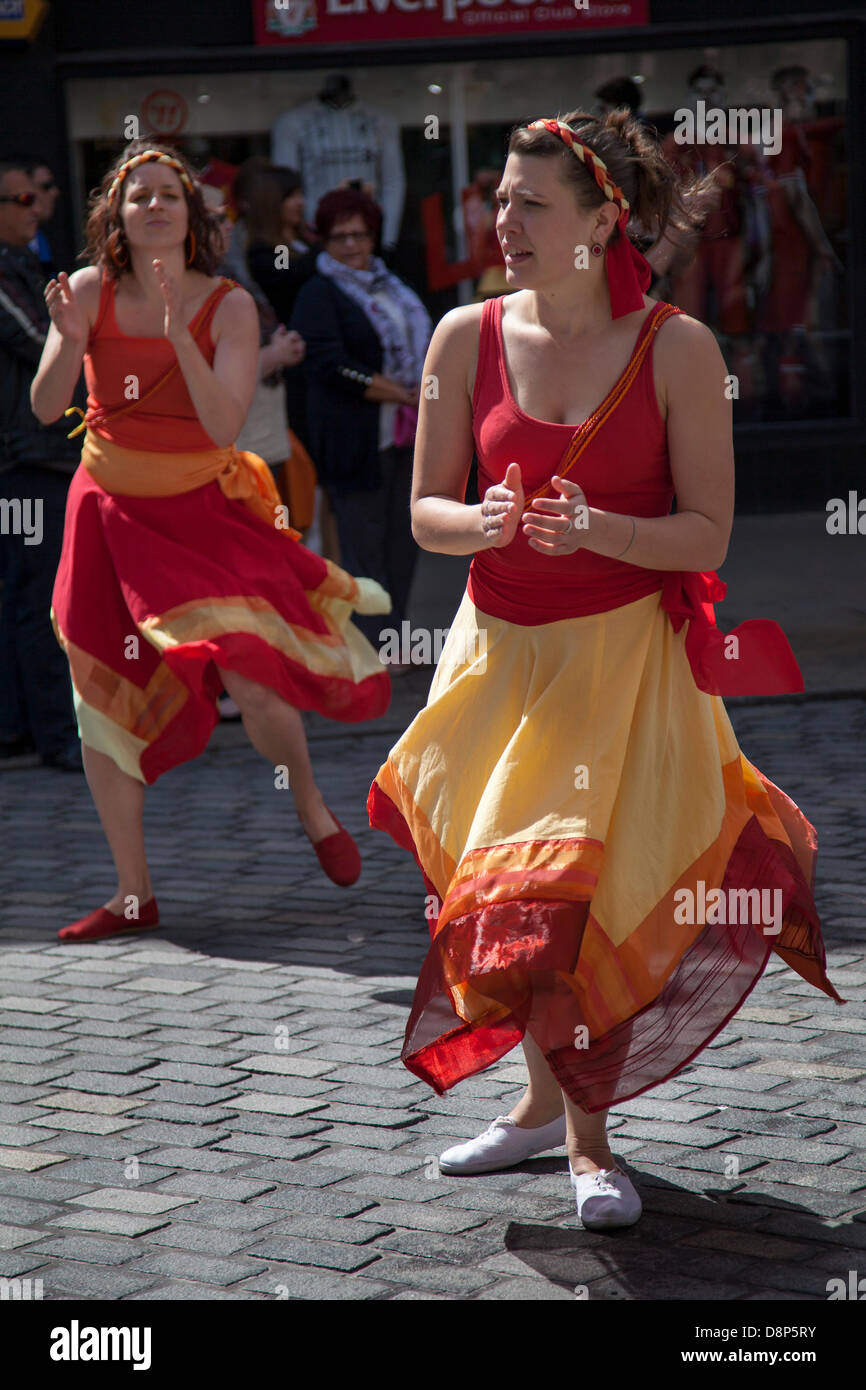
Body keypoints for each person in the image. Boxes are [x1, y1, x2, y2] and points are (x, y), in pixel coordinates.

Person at [366, 109, 843, 1231]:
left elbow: (707, 534)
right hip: (496, 662)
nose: (501, 221)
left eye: (530, 203)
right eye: (497, 199)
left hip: (624, 669)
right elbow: (424, 513)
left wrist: (602, 535)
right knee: (511, 903)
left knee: (574, 902)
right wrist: (473, 524)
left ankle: (587, 1145)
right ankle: (542, 1109)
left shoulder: (676, 346)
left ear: (600, 221)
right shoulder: (459, 336)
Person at [30, 140, 393, 943]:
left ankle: (305, 800)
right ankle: (134, 893)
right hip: (108, 515)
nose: (154, 205)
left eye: (169, 194)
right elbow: (45, 405)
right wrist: (62, 335)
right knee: (99, 704)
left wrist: (176, 334)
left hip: (199, 512)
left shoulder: (227, 304)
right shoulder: (88, 290)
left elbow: (225, 424)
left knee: (253, 680)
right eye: (138, 196)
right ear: (116, 217)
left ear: (193, 215)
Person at [291, 187, 432, 672]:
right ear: (323, 240)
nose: (351, 245)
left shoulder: (392, 283)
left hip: (407, 435)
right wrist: (397, 391)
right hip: (355, 440)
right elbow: (327, 364)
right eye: (339, 237)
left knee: (404, 540)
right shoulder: (317, 291)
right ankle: (372, 648)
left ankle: (396, 637)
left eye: (360, 234)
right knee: (362, 546)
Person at [0, 156, 82, 771]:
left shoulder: (28, 262)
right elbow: (38, 341)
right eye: (23, 198)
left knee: (27, 594)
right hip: (22, 462)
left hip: (42, 457)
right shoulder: (6, 273)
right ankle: (54, 735)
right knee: (36, 597)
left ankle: (23, 729)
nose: (37, 205)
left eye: (38, 194)